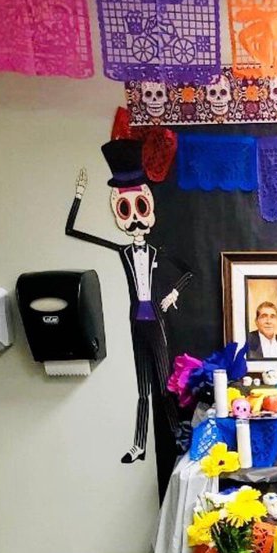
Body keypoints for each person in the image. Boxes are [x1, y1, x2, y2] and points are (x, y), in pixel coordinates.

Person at [65, 139, 191, 464]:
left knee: (164, 387)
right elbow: (74, 231)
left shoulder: (156, 251)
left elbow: (188, 270)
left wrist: (174, 291)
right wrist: (78, 195)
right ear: (118, 211)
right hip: (136, 322)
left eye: (140, 208)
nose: (134, 219)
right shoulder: (123, 251)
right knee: (143, 389)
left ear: (148, 207)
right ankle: (139, 445)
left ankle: (178, 437)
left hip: (157, 324)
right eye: (125, 209)